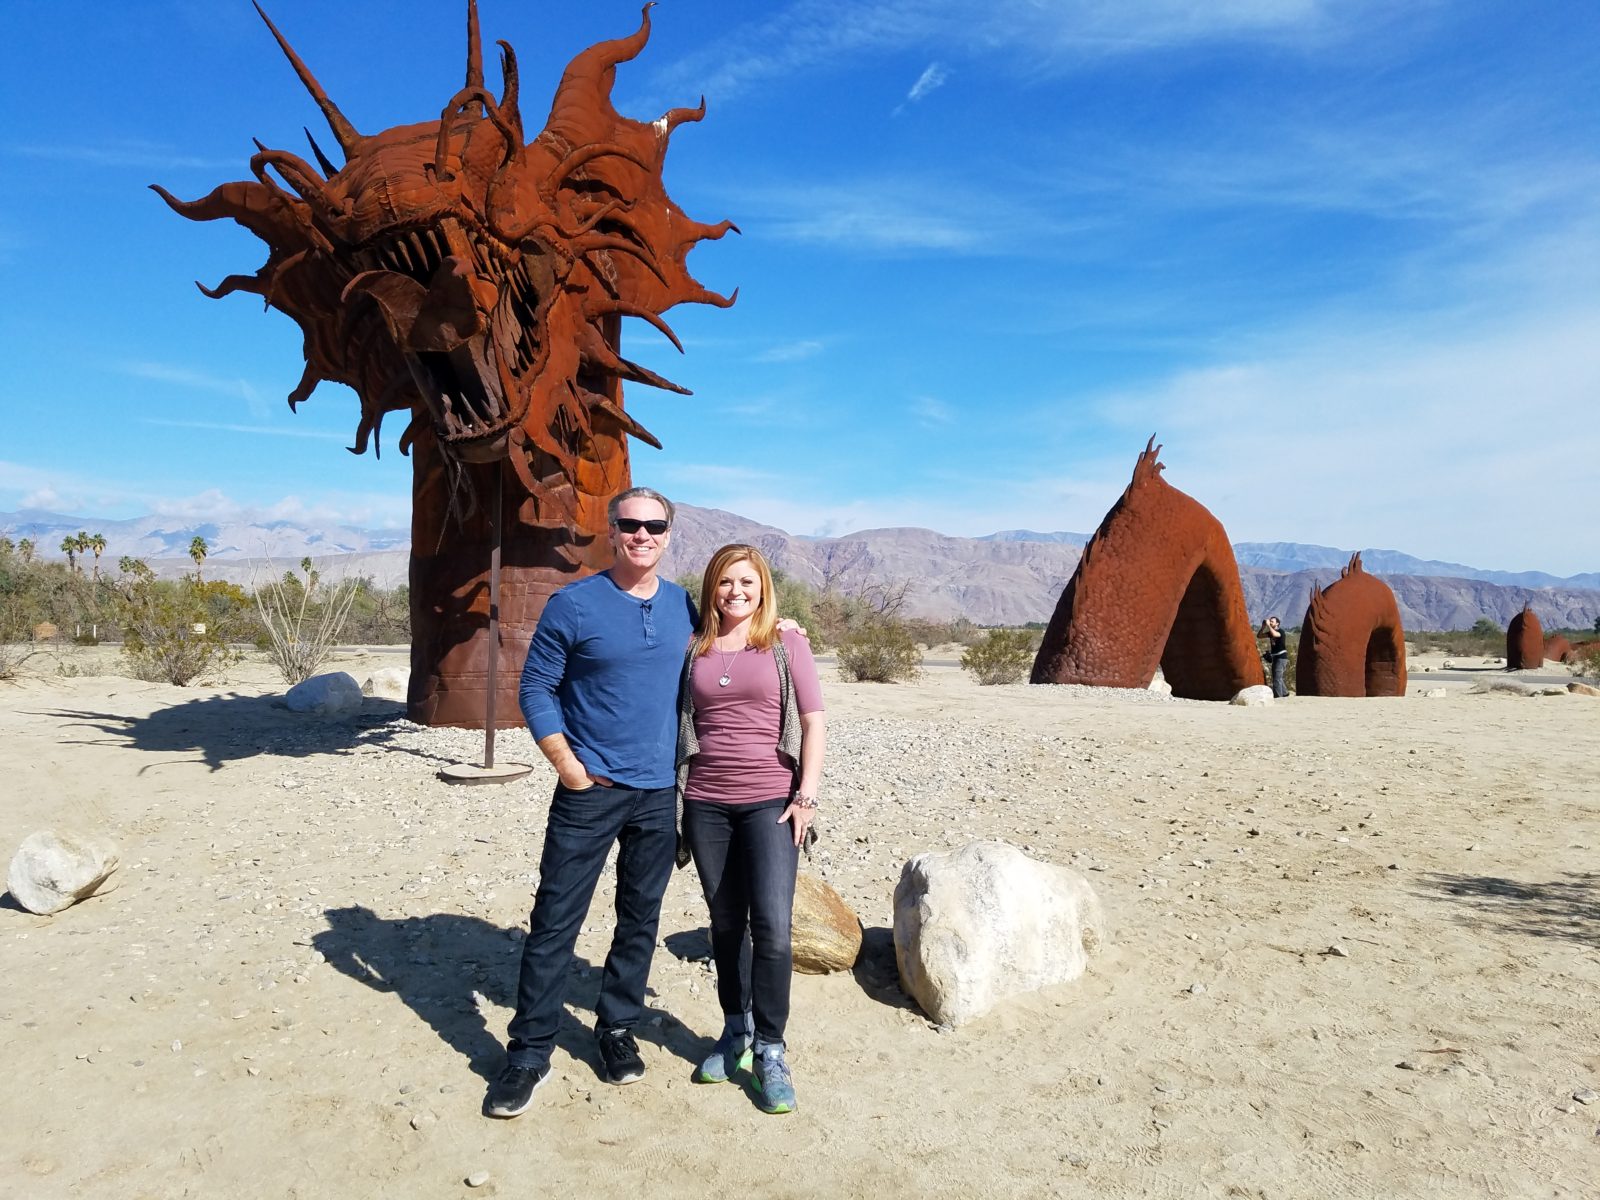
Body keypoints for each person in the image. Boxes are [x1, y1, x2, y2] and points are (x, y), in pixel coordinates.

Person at [486, 486, 694, 1119]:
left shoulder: (686, 605)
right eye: (630, 524)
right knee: (555, 919)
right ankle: (528, 1052)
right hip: (590, 790)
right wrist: (567, 765)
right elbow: (537, 688)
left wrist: (784, 627)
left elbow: (739, 634)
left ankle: (616, 1028)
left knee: (639, 916)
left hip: (659, 793)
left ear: (667, 533)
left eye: (654, 525)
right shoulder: (575, 604)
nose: (642, 534)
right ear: (611, 529)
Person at [676, 544, 825, 1115]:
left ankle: (771, 1047)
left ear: (763, 587)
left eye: (747, 582)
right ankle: (734, 1031)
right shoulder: (696, 647)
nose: (736, 592)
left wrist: (806, 796)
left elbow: (813, 720)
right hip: (706, 802)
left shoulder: (787, 643)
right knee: (724, 924)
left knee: (774, 927)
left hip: (771, 801)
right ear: (711, 588)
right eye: (724, 583)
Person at [1260, 615, 1289, 698]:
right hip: (1275, 657)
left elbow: (1275, 634)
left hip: (1281, 657)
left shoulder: (1281, 631)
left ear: (1277, 623)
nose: (1270, 622)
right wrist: (1263, 626)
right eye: (1270, 621)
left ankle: (1278, 696)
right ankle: (1285, 693)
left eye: (1272, 621)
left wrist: (1268, 625)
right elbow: (1260, 636)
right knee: (1277, 676)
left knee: (1277, 677)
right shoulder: (1270, 632)